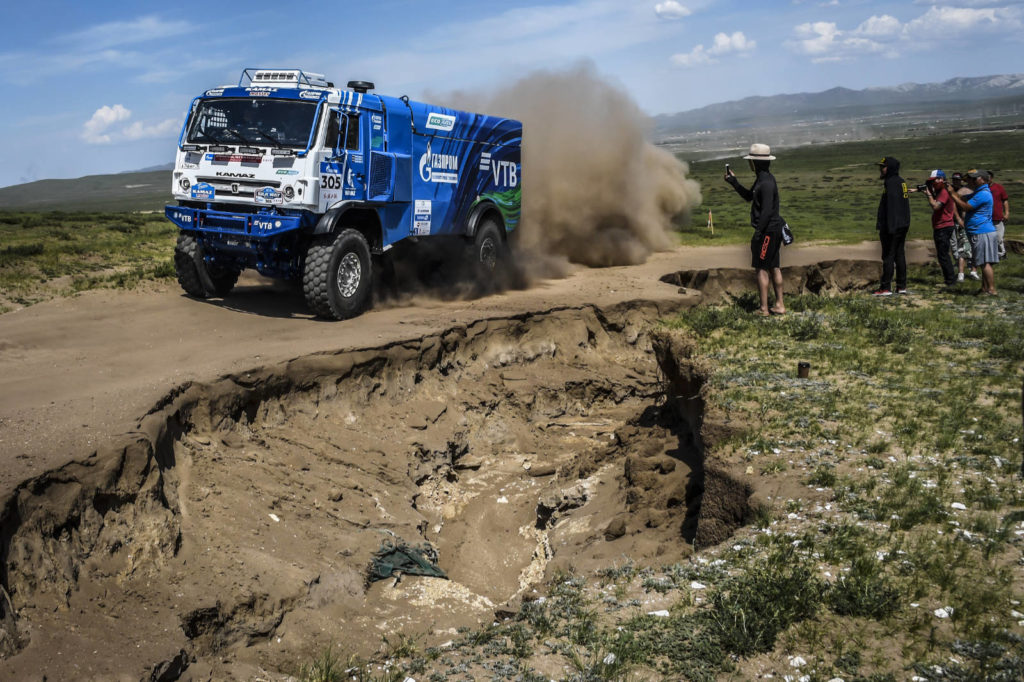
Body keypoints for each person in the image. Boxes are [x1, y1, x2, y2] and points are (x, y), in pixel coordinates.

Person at [724, 143, 786, 316]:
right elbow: (749, 197)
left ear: (754, 163)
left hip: (767, 231)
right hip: (773, 229)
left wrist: (758, 234)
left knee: (761, 268)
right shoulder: (765, 179)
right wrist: (734, 183)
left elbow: (765, 211)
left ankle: (764, 308)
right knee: (774, 267)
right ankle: (779, 305)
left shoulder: (764, 182)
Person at [947, 169, 999, 295]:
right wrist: (952, 191)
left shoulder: (983, 194)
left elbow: (966, 206)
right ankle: (984, 288)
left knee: (985, 263)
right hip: (980, 231)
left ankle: (991, 289)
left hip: (982, 231)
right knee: (982, 262)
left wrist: (952, 193)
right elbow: (962, 198)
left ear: (982, 179)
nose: (971, 181)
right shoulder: (979, 192)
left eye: (974, 178)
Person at [873, 156, 911, 296]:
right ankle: (901, 286)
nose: (881, 170)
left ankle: (885, 287)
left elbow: (893, 206)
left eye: (883, 167)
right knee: (899, 255)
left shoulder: (891, 183)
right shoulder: (901, 182)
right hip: (902, 224)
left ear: (890, 168)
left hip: (893, 226)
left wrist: (890, 227)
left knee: (888, 256)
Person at [911, 169, 957, 286]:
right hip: (942, 226)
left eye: (935, 181)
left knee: (943, 255)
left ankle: (950, 281)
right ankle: (950, 280)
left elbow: (935, 206)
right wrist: (917, 190)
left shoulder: (943, 192)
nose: (933, 184)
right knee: (943, 255)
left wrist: (929, 195)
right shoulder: (941, 190)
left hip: (943, 226)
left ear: (942, 179)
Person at [950, 172, 978, 282]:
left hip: (976, 223)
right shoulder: (961, 192)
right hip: (964, 222)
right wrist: (958, 218)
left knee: (976, 247)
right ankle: (961, 273)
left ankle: (973, 271)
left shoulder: (977, 190)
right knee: (963, 247)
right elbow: (953, 204)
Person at [988, 170, 1009, 258]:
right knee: (989, 237)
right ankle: (992, 254)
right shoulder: (982, 188)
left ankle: (1002, 253)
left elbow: (1005, 201)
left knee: (999, 237)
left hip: (997, 216)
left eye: (988, 178)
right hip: (986, 218)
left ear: (992, 178)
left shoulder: (999, 187)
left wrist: (1007, 212)